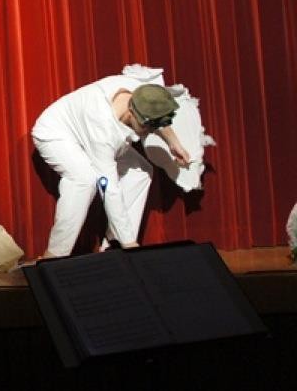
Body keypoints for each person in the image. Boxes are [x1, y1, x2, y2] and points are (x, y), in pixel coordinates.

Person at [31, 73, 192, 259]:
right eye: (147, 127)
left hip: (93, 130)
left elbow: (157, 113)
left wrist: (173, 142)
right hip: (56, 132)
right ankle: (55, 255)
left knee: (141, 170)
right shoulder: (102, 126)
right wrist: (130, 243)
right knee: (84, 181)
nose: (149, 132)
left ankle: (113, 244)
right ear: (131, 113)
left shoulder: (141, 91)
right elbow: (109, 189)